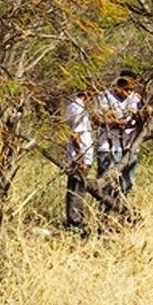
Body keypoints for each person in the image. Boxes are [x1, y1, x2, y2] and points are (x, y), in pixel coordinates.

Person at [92, 74, 145, 210]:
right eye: (126, 89)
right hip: (108, 147)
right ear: (119, 87)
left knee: (127, 183)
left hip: (128, 147)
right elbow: (97, 119)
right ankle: (104, 214)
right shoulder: (104, 97)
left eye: (131, 90)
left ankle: (121, 211)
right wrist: (116, 123)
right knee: (107, 183)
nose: (129, 93)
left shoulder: (136, 99)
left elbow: (142, 118)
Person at [64, 91, 93, 228]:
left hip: (76, 155)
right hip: (79, 157)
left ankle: (74, 219)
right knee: (77, 189)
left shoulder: (72, 106)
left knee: (75, 188)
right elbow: (75, 135)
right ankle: (75, 221)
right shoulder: (79, 109)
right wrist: (81, 157)